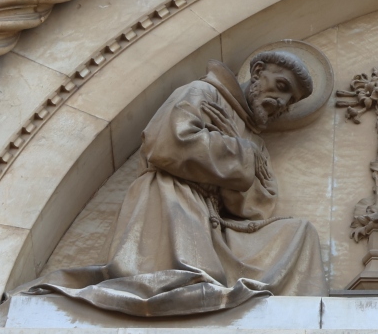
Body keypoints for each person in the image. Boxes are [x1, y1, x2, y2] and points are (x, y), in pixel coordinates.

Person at [24, 50, 325, 316]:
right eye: (282, 86)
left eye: (291, 99)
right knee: (188, 275)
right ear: (258, 72)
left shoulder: (253, 139)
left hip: (217, 224)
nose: (282, 101)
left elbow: (257, 206)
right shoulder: (202, 93)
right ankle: (185, 279)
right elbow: (165, 145)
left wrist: (235, 153)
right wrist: (239, 153)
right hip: (173, 198)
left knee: (300, 233)